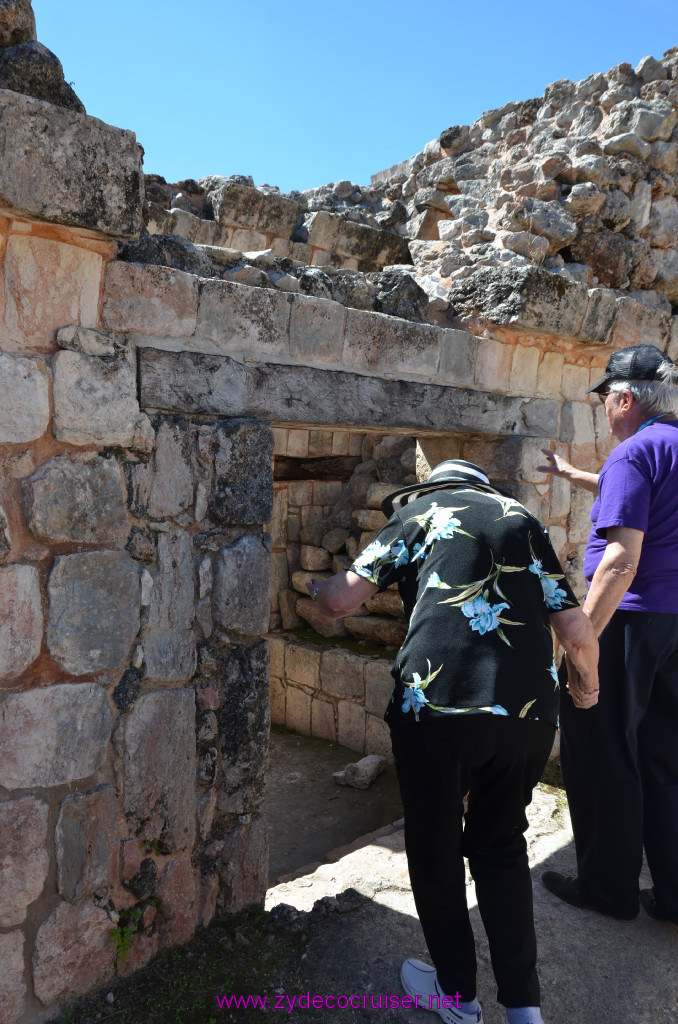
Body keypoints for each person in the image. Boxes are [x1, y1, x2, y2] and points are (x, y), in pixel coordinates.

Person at [306, 459, 599, 1024]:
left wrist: (320, 589)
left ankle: (457, 996)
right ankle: (524, 1010)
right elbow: (575, 630)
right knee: (502, 846)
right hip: (527, 713)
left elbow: (342, 600)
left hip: (438, 711)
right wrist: (586, 685)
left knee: (436, 847)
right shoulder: (523, 520)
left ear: (435, 487)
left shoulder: (420, 512)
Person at [538, 342, 678, 925]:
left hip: (629, 622)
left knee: (602, 753)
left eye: (605, 398)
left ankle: (608, 890)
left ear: (623, 399)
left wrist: (582, 650)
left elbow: (620, 561)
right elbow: (651, 504)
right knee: (664, 756)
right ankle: (672, 897)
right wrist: (576, 475)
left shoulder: (632, 453)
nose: (603, 409)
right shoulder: (665, 448)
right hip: (672, 624)